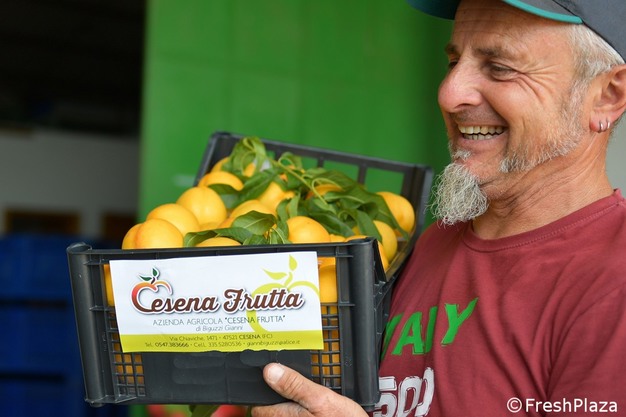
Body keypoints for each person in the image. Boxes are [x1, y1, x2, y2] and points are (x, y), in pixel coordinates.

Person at [251, 0, 626, 415]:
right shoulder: (435, 241)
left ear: (607, 96)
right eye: (453, 62)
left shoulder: (614, 283)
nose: (449, 94)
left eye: (500, 68)